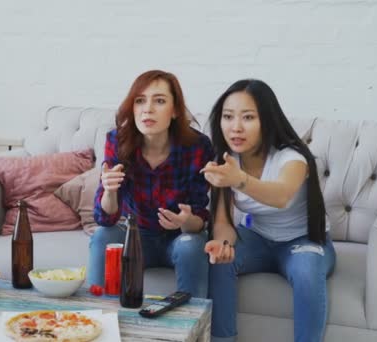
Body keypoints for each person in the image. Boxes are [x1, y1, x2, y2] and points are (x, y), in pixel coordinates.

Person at [201, 79, 336, 342]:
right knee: (219, 262)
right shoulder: (227, 159)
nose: (236, 127)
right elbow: (222, 221)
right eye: (228, 117)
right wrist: (225, 245)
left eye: (248, 117)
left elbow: (281, 195)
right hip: (258, 238)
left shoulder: (292, 157)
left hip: (303, 240)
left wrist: (239, 179)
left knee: (307, 273)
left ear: (267, 120)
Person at [86, 70, 214, 298]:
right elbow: (104, 219)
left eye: (160, 101)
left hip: (178, 237)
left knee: (191, 245)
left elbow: (199, 219)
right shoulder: (118, 140)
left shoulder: (198, 146)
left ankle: (193, 328)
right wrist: (109, 190)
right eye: (140, 101)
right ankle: (96, 318)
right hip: (134, 234)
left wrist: (185, 221)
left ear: (175, 110)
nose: (147, 109)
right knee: (102, 236)